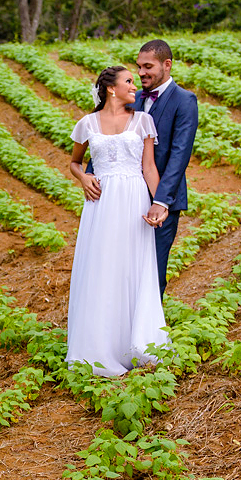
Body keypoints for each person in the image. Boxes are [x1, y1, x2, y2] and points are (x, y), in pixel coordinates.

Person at [65, 65, 169, 377]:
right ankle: (98, 347)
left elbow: (149, 168)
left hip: (133, 200)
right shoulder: (86, 124)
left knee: (132, 269)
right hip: (101, 204)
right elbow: (73, 162)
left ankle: (135, 343)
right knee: (102, 268)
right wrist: (83, 177)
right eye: (128, 81)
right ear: (112, 88)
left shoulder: (143, 121)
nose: (134, 86)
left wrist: (159, 204)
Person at [134, 39, 198, 296]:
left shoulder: (185, 100)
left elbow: (180, 155)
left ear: (167, 65)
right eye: (138, 67)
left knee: (154, 269)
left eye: (148, 66)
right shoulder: (134, 97)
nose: (141, 73)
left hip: (163, 200)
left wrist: (161, 200)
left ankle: (151, 332)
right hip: (128, 194)